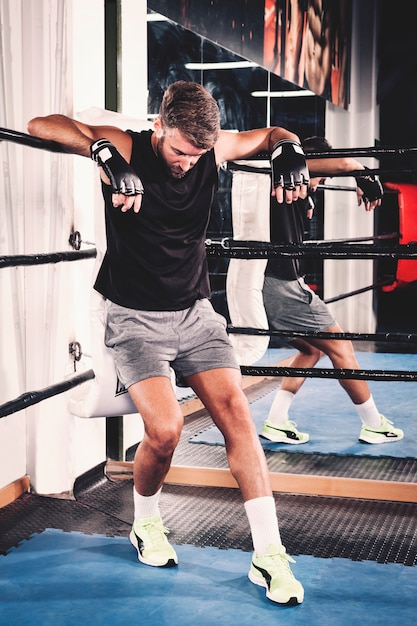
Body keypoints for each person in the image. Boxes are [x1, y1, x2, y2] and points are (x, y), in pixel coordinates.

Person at [27, 81, 310, 606]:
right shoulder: (130, 144)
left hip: (198, 315)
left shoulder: (212, 150)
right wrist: (102, 152)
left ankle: (269, 554)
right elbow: (41, 125)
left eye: (197, 153)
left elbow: (271, 133)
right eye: (179, 149)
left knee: (237, 419)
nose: (187, 162)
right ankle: (146, 521)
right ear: (159, 126)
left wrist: (289, 148)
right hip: (134, 320)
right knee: (165, 431)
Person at [261, 136, 404, 445]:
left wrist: (312, 196)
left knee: (311, 350)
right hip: (283, 285)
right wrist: (364, 174)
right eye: (321, 175)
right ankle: (373, 423)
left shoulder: (295, 192)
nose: (321, 181)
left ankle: (275, 421)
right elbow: (346, 163)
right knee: (342, 347)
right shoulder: (290, 171)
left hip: (274, 283)